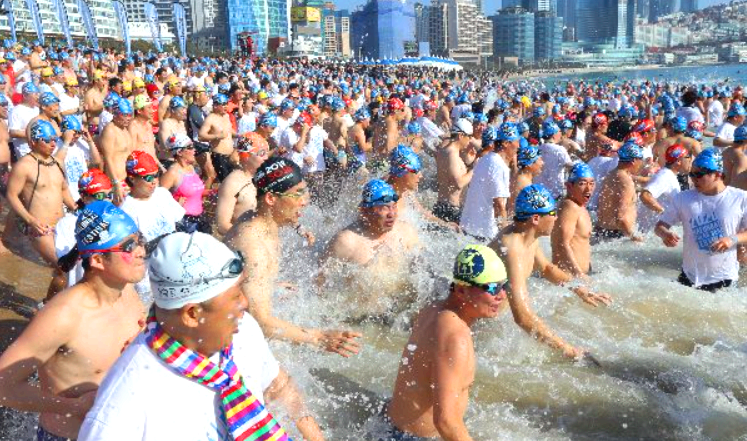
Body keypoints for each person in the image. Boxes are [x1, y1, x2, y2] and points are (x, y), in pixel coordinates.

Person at [78, 232, 325, 441]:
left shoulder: (243, 329)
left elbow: (278, 385)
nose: (246, 303)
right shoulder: (123, 407)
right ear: (192, 314)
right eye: (235, 296)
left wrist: (313, 434)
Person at [0, 201, 146, 440]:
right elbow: (4, 386)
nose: (140, 250)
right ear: (98, 261)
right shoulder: (64, 314)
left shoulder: (127, 292)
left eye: (139, 240)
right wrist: (74, 406)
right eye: (128, 246)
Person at [224, 157, 361, 356]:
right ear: (271, 199)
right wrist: (319, 338)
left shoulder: (260, 218)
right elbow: (260, 323)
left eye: (304, 190)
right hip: (231, 341)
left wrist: (270, 285)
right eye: (297, 194)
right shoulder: (255, 247)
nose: (305, 201)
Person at [383, 244, 508, 441]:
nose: (501, 295)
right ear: (461, 290)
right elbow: (446, 422)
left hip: (389, 428)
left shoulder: (433, 310)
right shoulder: (455, 337)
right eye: (492, 288)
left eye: (504, 285)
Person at [489, 184, 608, 361]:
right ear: (536, 219)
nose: (557, 217)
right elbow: (522, 316)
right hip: (481, 327)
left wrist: (577, 288)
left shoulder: (527, 237)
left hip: (492, 321)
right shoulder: (512, 247)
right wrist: (567, 349)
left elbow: (546, 268)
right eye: (552, 213)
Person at [318, 179, 420, 321]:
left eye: (393, 206)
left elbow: (423, 275)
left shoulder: (406, 232)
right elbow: (320, 284)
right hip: (360, 319)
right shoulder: (347, 241)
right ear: (365, 211)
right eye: (384, 208)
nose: (391, 214)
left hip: (400, 316)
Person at [655, 148, 747, 292]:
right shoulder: (683, 198)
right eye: (691, 174)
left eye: (699, 175)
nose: (693, 179)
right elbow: (660, 226)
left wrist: (731, 239)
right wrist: (665, 234)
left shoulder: (740, 198)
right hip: (689, 276)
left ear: (717, 175)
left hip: (724, 279)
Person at [5, 119, 76, 265]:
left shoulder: (57, 163)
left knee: (68, 270)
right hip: (41, 228)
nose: (53, 144)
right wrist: (30, 220)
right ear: (34, 142)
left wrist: (78, 208)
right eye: (47, 140)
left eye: (54, 139)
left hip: (62, 226)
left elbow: (64, 190)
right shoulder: (24, 166)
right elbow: (11, 195)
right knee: (63, 267)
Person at [460, 122, 519, 241]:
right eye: (516, 142)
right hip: (483, 234)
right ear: (506, 143)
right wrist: (505, 237)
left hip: (468, 227)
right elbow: (499, 205)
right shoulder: (498, 165)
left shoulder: (485, 159)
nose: (518, 146)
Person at [215, 132, 269, 235]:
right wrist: (251, 239)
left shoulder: (263, 178)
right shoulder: (233, 182)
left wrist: (300, 229)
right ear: (247, 156)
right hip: (243, 245)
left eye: (266, 153)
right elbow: (222, 225)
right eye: (262, 153)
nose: (266, 157)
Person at [551, 163, 596, 277]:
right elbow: (562, 244)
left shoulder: (579, 206)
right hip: (569, 278)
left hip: (579, 276)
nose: (588, 188)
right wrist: (579, 275)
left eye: (591, 183)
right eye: (582, 183)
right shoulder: (569, 206)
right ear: (569, 186)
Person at [159, 133, 210, 234]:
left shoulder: (191, 168)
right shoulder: (172, 173)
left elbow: (195, 192)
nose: (194, 150)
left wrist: (214, 192)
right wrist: (176, 203)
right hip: (183, 223)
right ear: (179, 152)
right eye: (190, 147)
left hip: (198, 219)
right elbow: (158, 200)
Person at [595, 141, 645, 242]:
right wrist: (633, 237)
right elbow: (621, 216)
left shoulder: (611, 175)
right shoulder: (625, 181)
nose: (642, 164)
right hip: (618, 235)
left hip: (602, 231)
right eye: (641, 160)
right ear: (634, 160)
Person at [639, 144, 692, 233]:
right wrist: (664, 214)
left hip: (657, 232)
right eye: (688, 158)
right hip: (651, 232)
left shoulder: (669, 175)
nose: (691, 161)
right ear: (678, 161)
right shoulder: (665, 176)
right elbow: (645, 196)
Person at [434, 119, 475, 224]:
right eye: (469, 136)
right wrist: (475, 168)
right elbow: (458, 183)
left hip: (443, 206)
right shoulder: (451, 153)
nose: (470, 140)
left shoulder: (446, 151)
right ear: (461, 135)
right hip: (450, 210)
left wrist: (469, 163)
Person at [99, 97, 134, 204]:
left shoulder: (124, 129)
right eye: (124, 115)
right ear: (115, 114)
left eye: (129, 115)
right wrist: (116, 183)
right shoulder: (110, 130)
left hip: (129, 180)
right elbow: (107, 158)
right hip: (117, 181)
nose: (128, 118)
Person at [199, 93, 236, 182]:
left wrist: (240, 135)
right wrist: (217, 136)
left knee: (231, 181)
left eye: (226, 103)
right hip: (219, 156)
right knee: (225, 183)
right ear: (215, 105)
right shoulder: (210, 118)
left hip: (230, 156)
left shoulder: (226, 116)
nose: (226, 106)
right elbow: (201, 136)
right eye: (223, 104)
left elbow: (229, 130)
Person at [536, 120, 574, 200]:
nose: (561, 134)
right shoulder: (559, 149)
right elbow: (571, 167)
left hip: (539, 193)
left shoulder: (538, 149)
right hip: (554, 195)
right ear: (553, 135)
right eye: (559, 131)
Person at [8, 82, 40, 159]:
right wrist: (34, 134)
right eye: (35, 94)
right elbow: (13, 132)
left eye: (37, 94)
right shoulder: (16, 111)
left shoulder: (37, 109)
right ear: (25, 96)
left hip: (39, 150)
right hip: (25, 151)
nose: (38, 97)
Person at [510, 140, 544, 212]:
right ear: (530, 164)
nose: (542, 163)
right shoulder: (524, 183)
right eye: (540, 160)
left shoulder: (520, 177)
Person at [723, 125, 747, 190]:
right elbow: (736, 183)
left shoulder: (726, 151)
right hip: (734, 194)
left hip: (724, 188)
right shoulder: (741, 157)